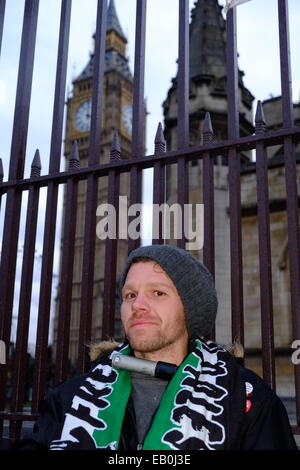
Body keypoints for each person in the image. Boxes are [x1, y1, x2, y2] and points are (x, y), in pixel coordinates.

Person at [14, 244, 297, 450]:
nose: (137, 305)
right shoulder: (72, 396)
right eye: (130, 295)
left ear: (191, 309)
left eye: (157, 293)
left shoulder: (246, 400)